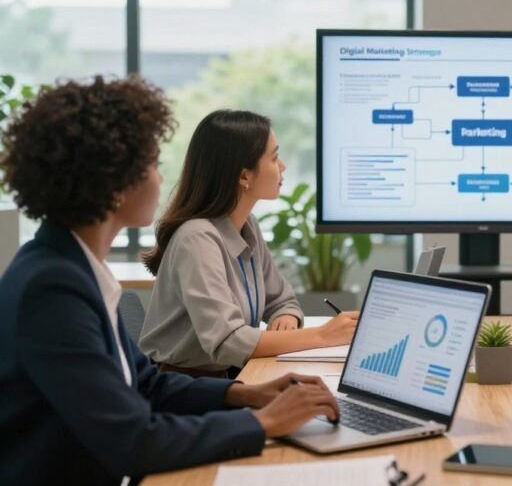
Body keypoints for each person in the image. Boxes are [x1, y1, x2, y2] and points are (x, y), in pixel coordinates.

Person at [0, 76, 340, 486]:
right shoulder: (52, 290)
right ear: (113, 182)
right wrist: (263, 422)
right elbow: (133, 440)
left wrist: (244, 394)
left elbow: (145, 384)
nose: (161, 179)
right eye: (151, 165)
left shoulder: (72, 268)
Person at [140, 110, 357, 377]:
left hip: (230, 374)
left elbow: (281, 299)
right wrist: (323, 336)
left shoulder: (247, 225)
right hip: (186, 386)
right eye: (274, 158)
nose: (283, 166)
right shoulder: (197, 239)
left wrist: (286, 317)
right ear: (244, 176)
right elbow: (228, 342)